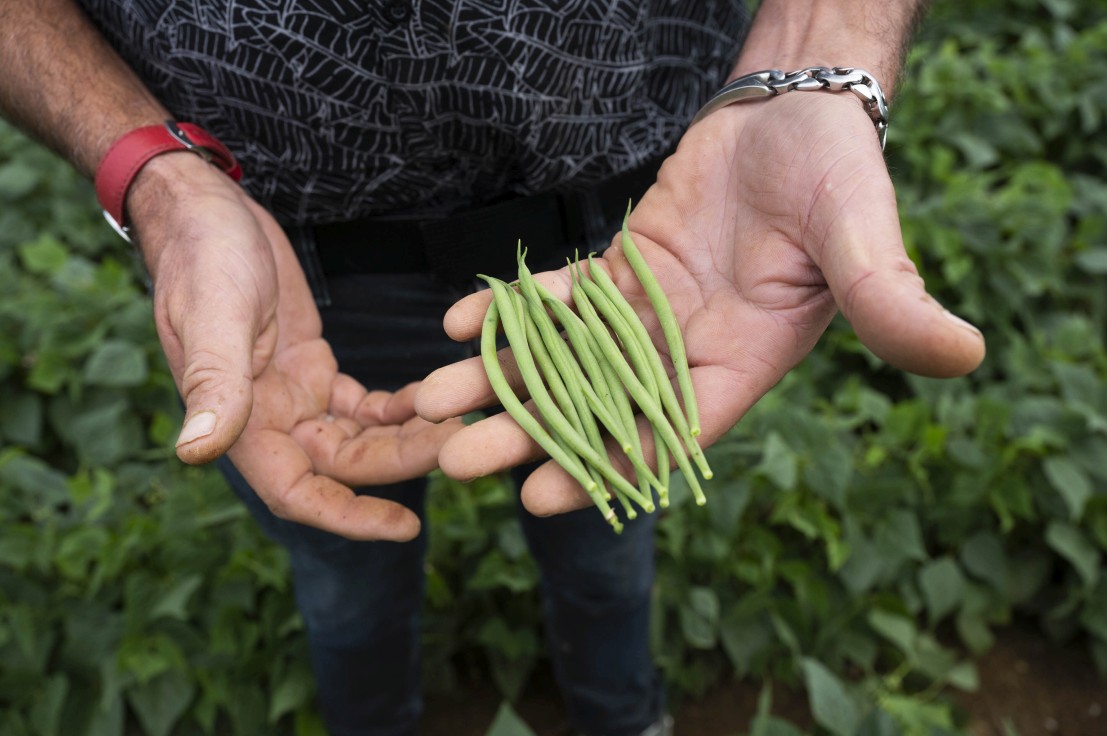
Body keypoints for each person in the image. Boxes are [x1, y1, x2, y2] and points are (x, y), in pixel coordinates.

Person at [0, 1, 985, 734]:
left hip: (654, 218)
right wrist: (154, 174)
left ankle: (622, 714)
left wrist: (819, 61)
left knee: (607, 530)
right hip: (288, 260)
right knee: (348, 575)